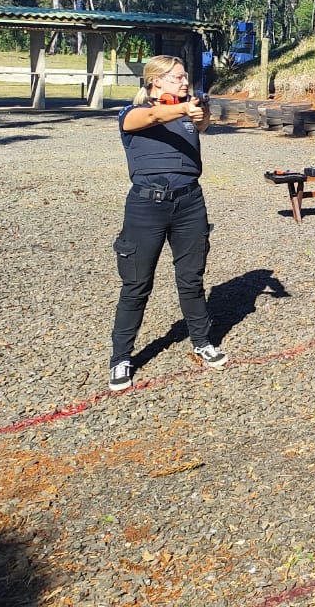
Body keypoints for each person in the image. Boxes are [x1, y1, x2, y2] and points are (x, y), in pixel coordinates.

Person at [108, 55, 225, 391]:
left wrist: (200, 113)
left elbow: (199, 125)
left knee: (191, 279)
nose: (184, 81)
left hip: (190, 202)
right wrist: (187, 108)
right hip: (147, 205)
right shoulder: (133, 114)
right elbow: (157, 114)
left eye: (185, 76)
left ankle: (202, 341)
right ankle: (121, 358)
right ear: (155, 82)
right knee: (136, 285)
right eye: (176, 77)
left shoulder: (187, 113)